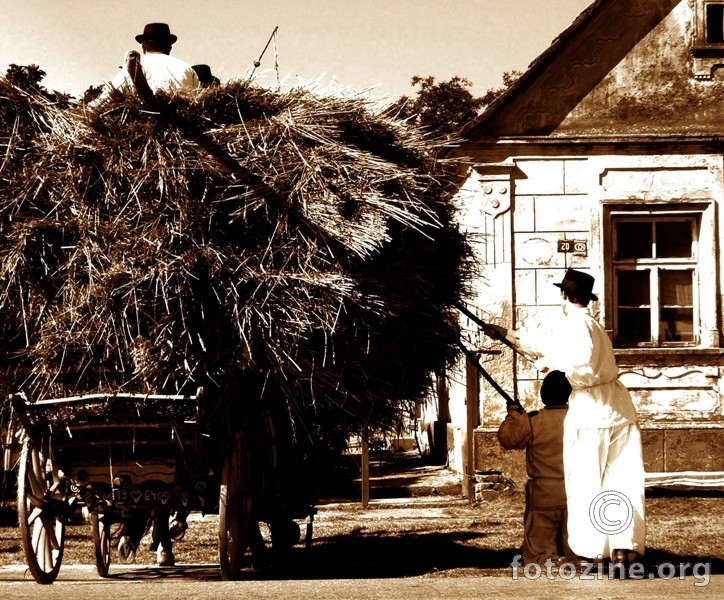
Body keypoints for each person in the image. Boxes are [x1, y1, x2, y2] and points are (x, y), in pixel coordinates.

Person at [484, 268, 645, 567]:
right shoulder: (594, 327)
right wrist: (506, 334)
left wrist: (550, 365)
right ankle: (623, 548)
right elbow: (543, 346)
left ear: (563, 295)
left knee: (586, 482)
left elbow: (578, 367)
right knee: (621, 481)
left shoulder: (575, 326)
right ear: (586, 297)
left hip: (590, 411)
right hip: (619, 410)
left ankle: (593, 552)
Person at [498, 370, 572, 567]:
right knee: (577, 542)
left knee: (539, 548)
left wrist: (515, 415)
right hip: (576, 489)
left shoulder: (534, 420)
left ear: (543, 394)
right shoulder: (580, 418)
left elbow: (509, 440)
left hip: (544, 492)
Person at [92, 23, 199, 105]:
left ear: (143, 46)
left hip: (144, 127)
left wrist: (87, 110)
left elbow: (108, 95)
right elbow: (200, 101)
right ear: (169, 47)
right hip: (183, 127)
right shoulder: (187, 68)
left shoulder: (137, 65)